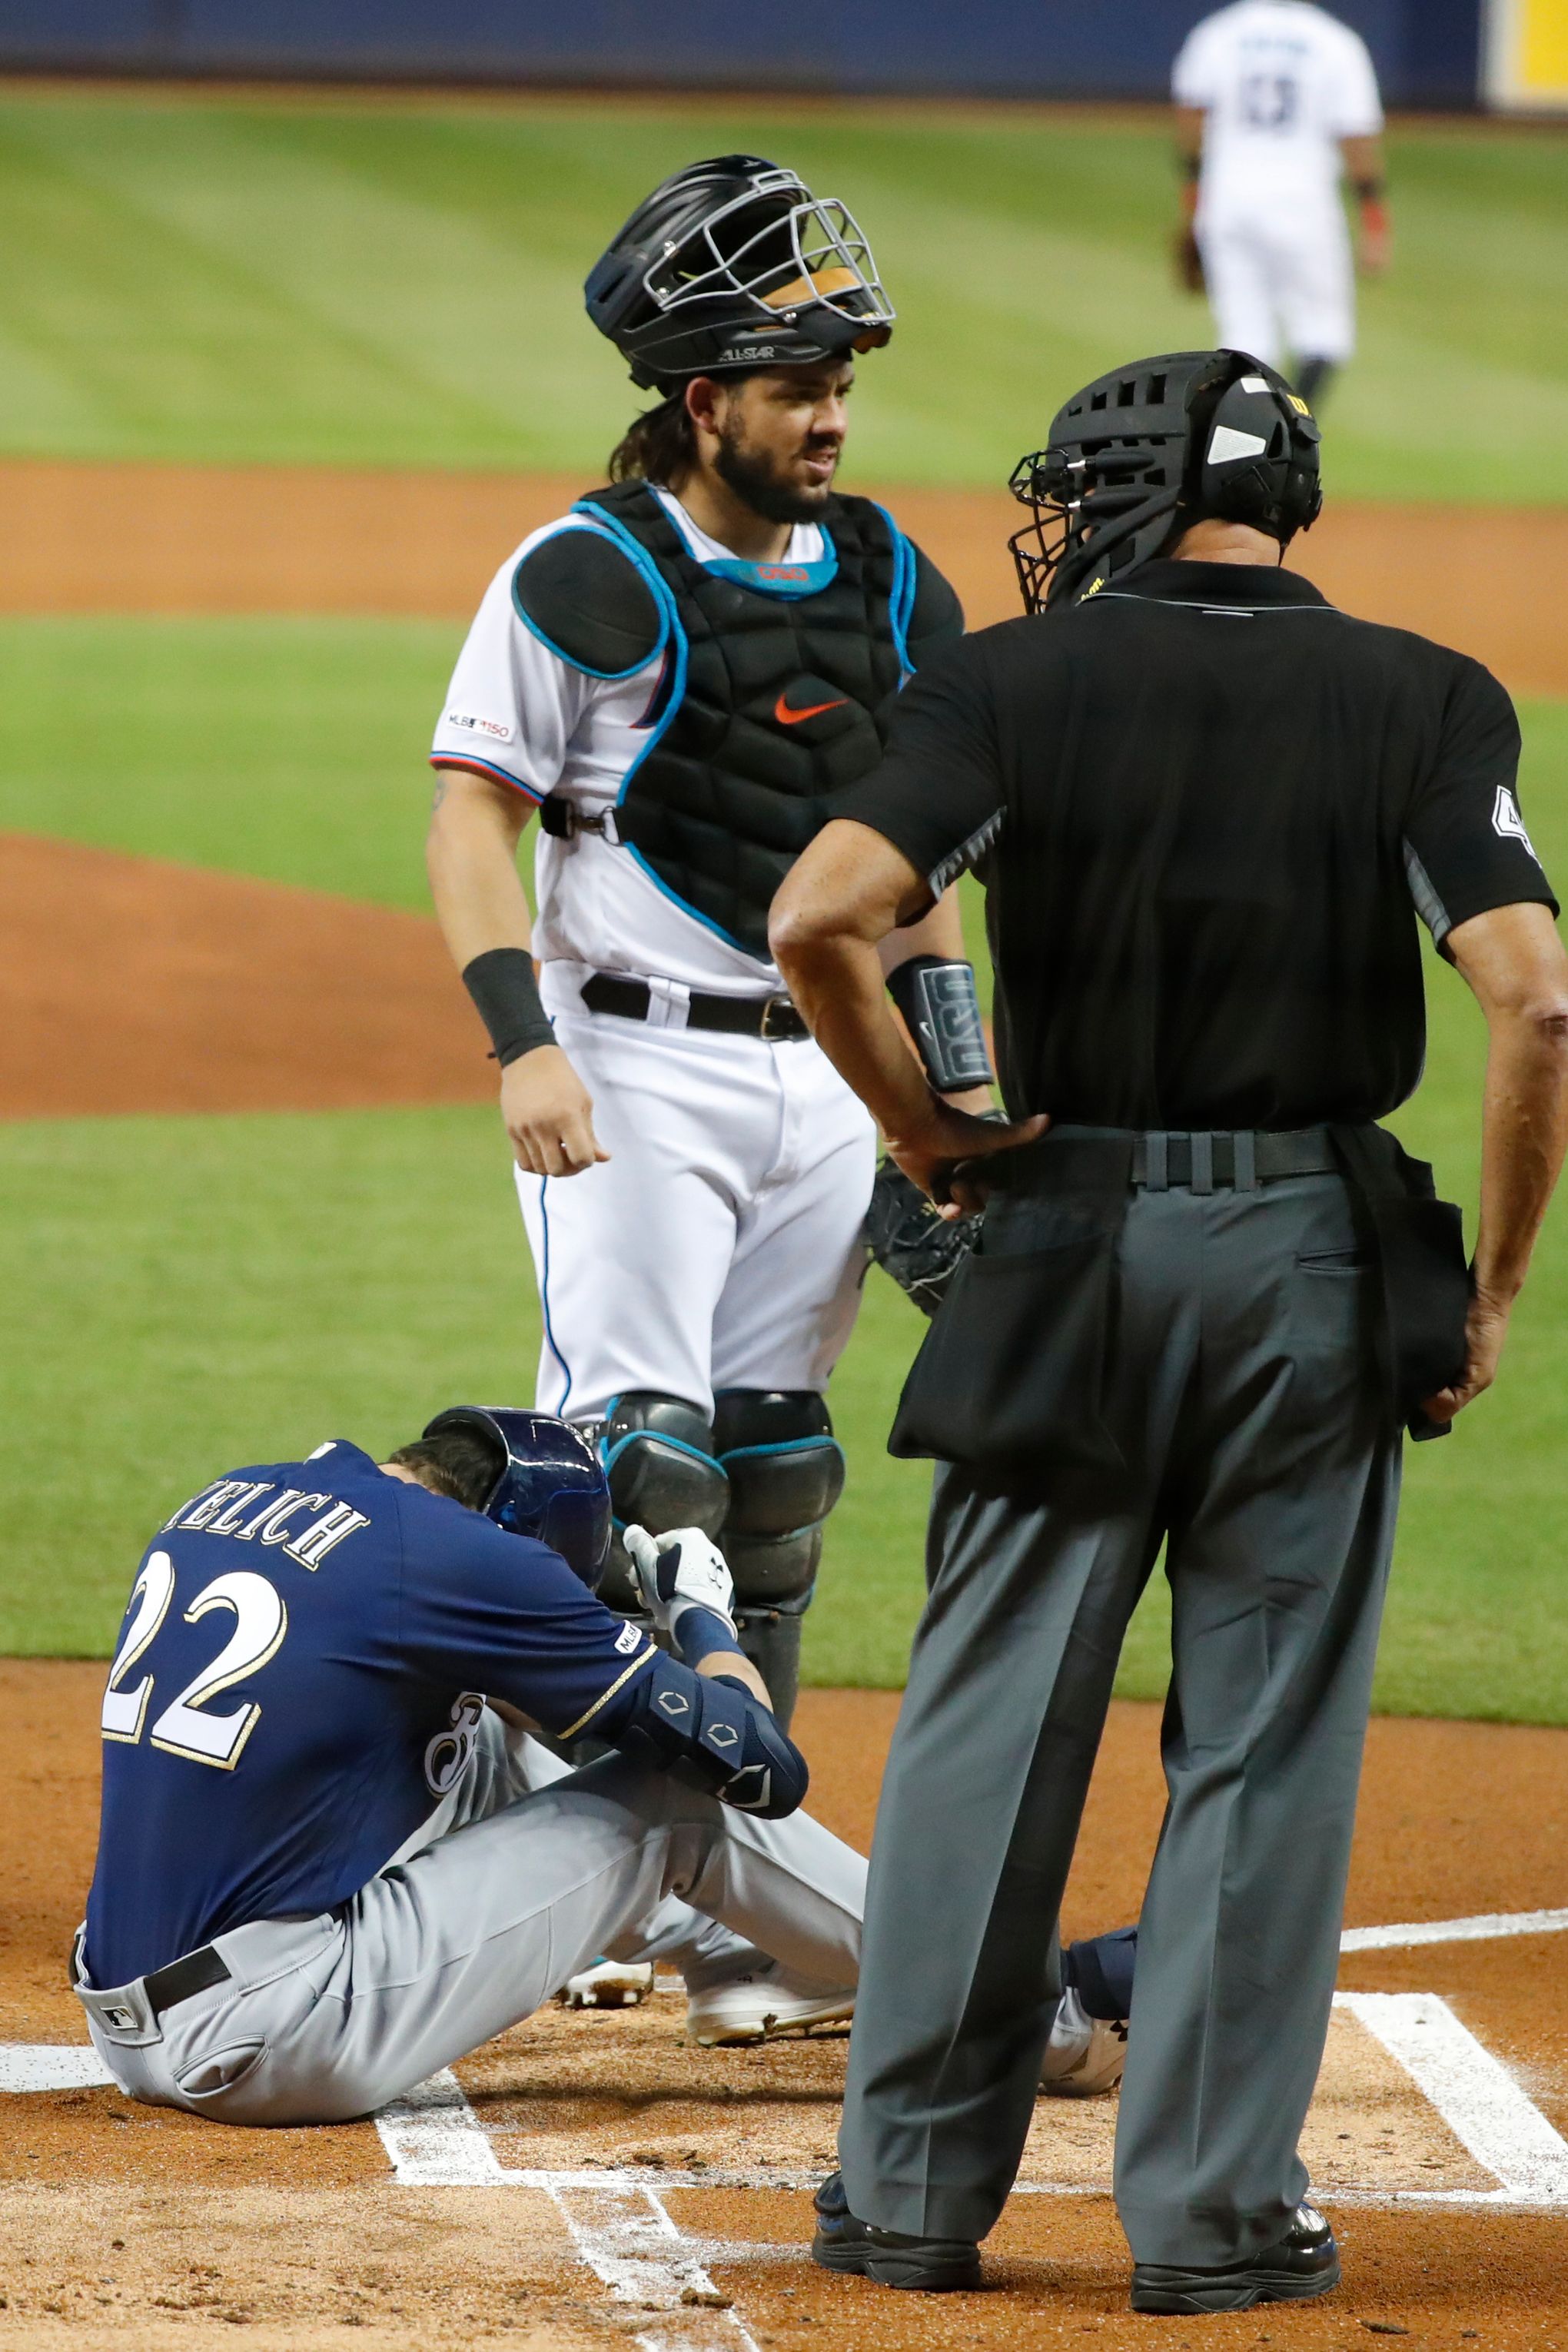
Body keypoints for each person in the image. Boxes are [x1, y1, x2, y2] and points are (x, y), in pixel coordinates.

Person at [769, 349, 1568, 2311]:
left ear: (1117, 492)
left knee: (984, 1728)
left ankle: (904, 2203)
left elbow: (819, 919)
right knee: (1264, 1743)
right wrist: (1489, 1287)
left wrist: (929, 1135)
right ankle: (1211, 2220)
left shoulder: (1008, 685)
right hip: (1307, 1258)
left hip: (1059, 1244)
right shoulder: (1424, 693)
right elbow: (1534, 998)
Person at [426, 154, 990, 1728]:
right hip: (628, 1069)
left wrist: (948, 1107)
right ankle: (554, 1843)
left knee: (774, 1469)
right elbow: (472, 819)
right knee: (635, 1469)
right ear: (700, 399)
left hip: (825, 1079)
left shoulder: (888, 585)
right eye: (800, 386)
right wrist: (523, 1048)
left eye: (842, 386)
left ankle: (726, 1904)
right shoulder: (586, 572)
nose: (833, 417)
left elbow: (923, 873)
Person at [74, 1408, 1134, 2111]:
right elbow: (757, 1765)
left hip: (135, 2006)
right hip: (275, 2036)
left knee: (479, 1736)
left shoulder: (243, 1497)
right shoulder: (474, 1559)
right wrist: (704, 1615)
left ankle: (742, 1957)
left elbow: (508, 1726)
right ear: (520, 1546)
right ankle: (1049, 2013)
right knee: (678, 1799)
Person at [1172, 0, 1389, 407]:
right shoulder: (1335, 41)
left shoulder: (1217, 33)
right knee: (1324, 337)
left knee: (1244, 342)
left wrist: (1192, 202)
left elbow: (1190, 120)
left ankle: (1241, 449)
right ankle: (1289, 442)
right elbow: (1358, 138)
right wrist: (1375, 221)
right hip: (1303, 202)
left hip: (1228, 197)